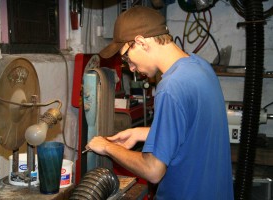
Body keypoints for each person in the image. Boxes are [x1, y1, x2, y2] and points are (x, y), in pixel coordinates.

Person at [86, 6, 234, 199]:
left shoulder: (171, 86)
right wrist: (142, 133)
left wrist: (107, 147)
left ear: (140, 42)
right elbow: (194, 129)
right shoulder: (200, 67)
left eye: (126, 57)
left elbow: (153, 170)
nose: (130, 68)